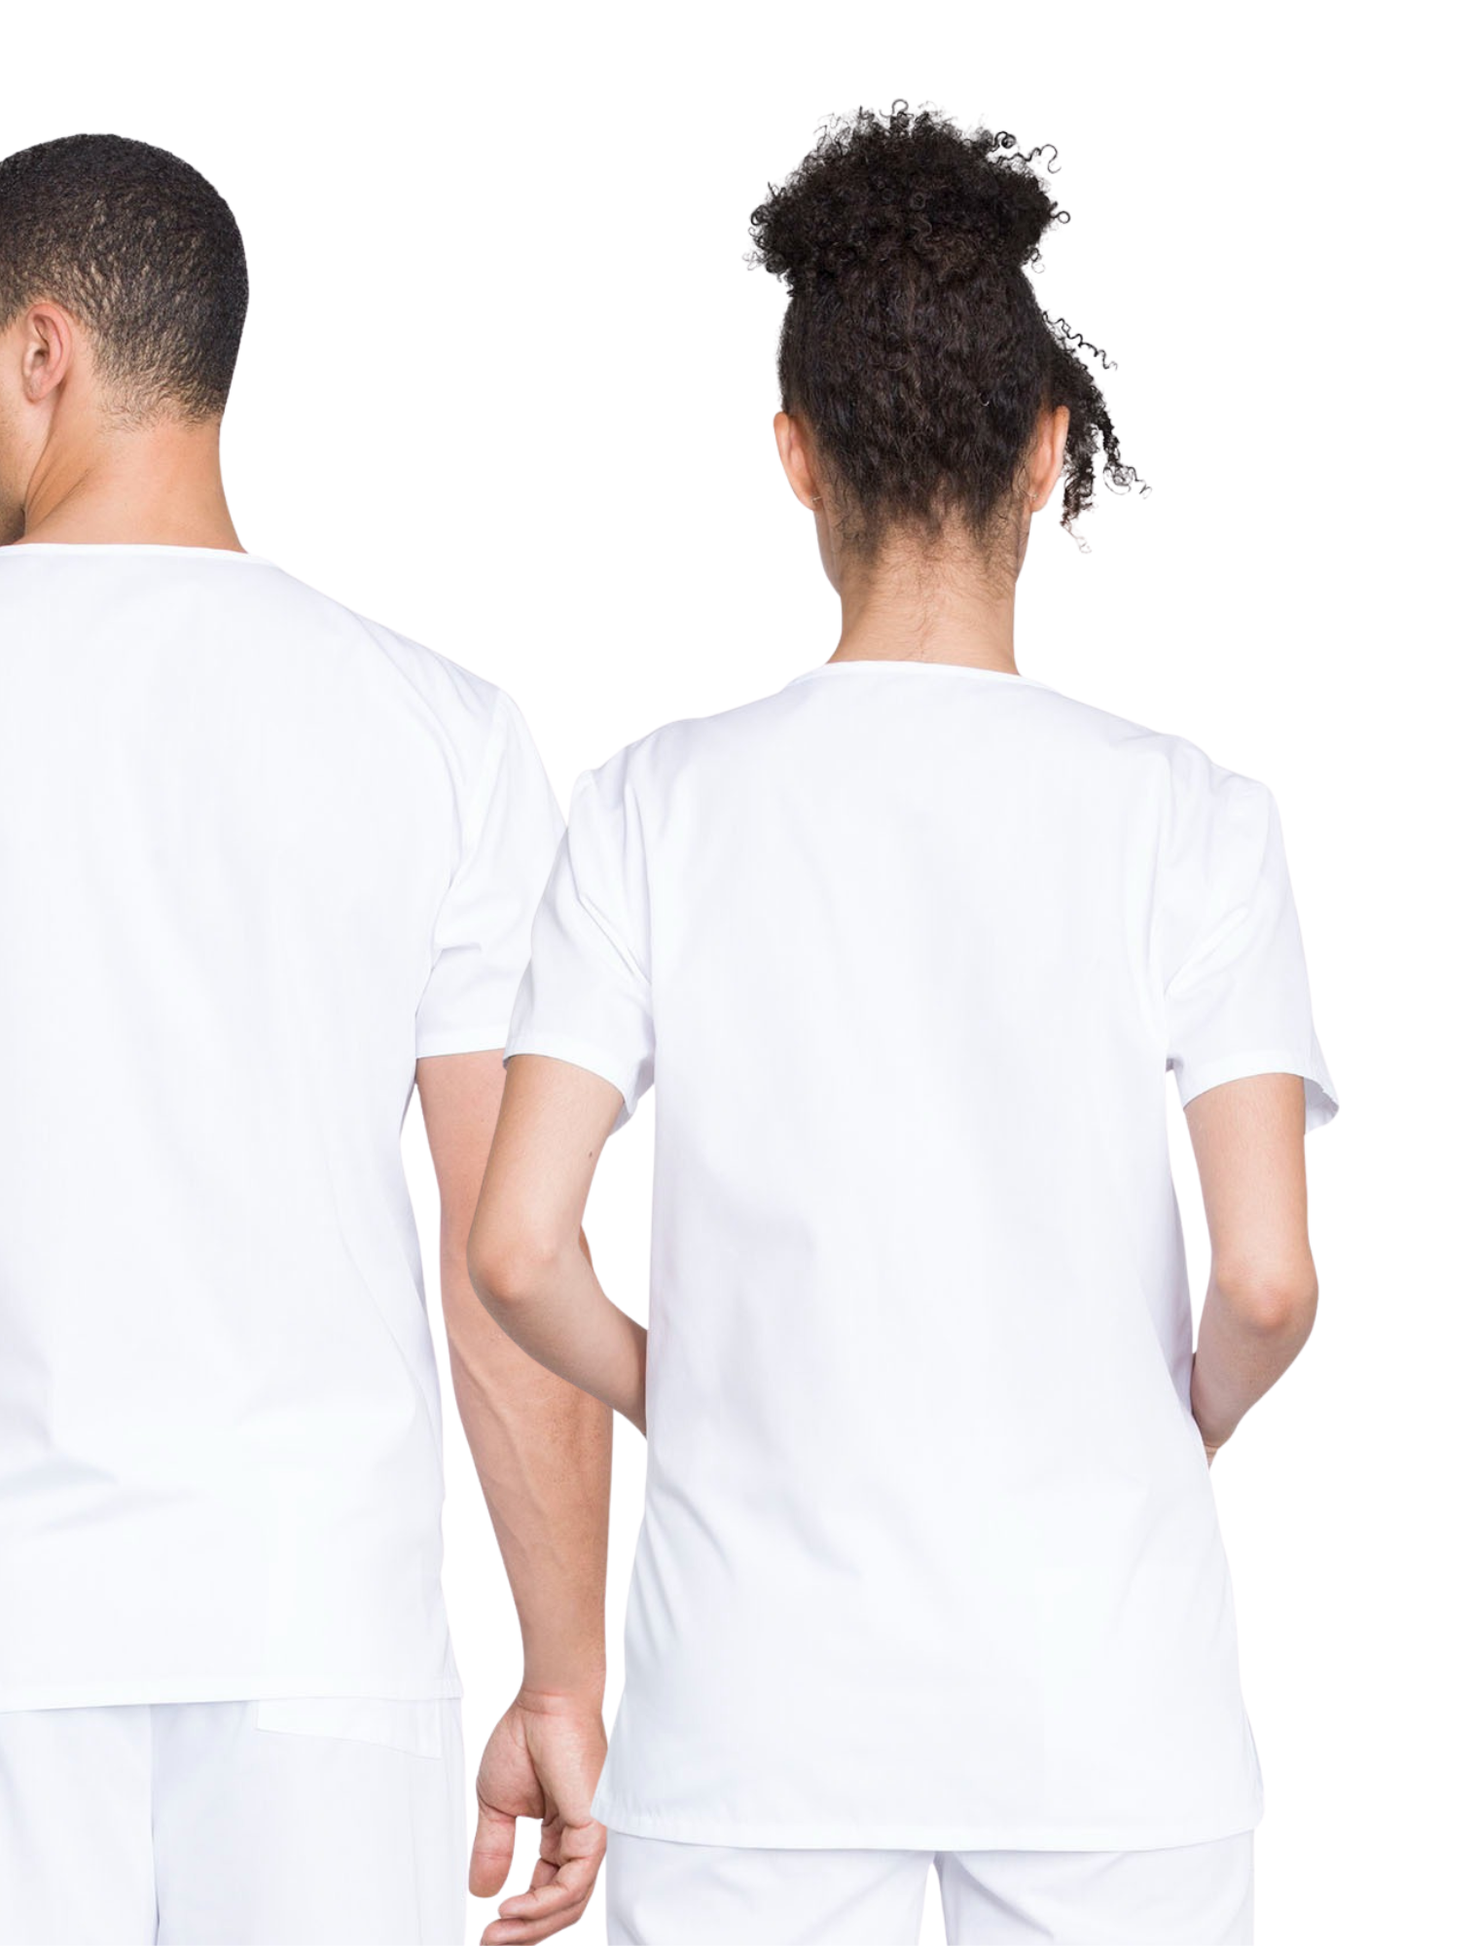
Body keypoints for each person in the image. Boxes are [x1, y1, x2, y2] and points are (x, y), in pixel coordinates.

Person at [0, 133, 610, 1946]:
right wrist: (563, 1670)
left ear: (44, 350)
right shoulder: (442, 732)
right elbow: (514, 1255)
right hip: (324, 1648)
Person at [467, 103, 1334, 1946]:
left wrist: (689, 1392)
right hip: (1111, 1722)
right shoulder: (1190, 819)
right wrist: (1160, 1427)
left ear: (795, 455)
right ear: (1046, 448)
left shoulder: (652, 806)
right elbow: (1265, 1280)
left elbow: (518, 1245)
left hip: (748, 1723)